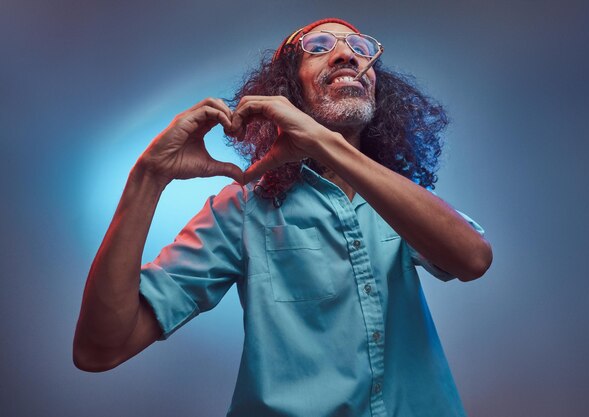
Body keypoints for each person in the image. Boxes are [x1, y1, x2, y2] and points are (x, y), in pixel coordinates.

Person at [74, 17, 492, 417]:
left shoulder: (399, 199)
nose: (347, 54)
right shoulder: (241, 208)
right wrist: (147, 177)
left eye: (360, 48)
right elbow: (100, 349)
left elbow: (472, 259)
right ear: (289, 91)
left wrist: (325, 143)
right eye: (319, 47)